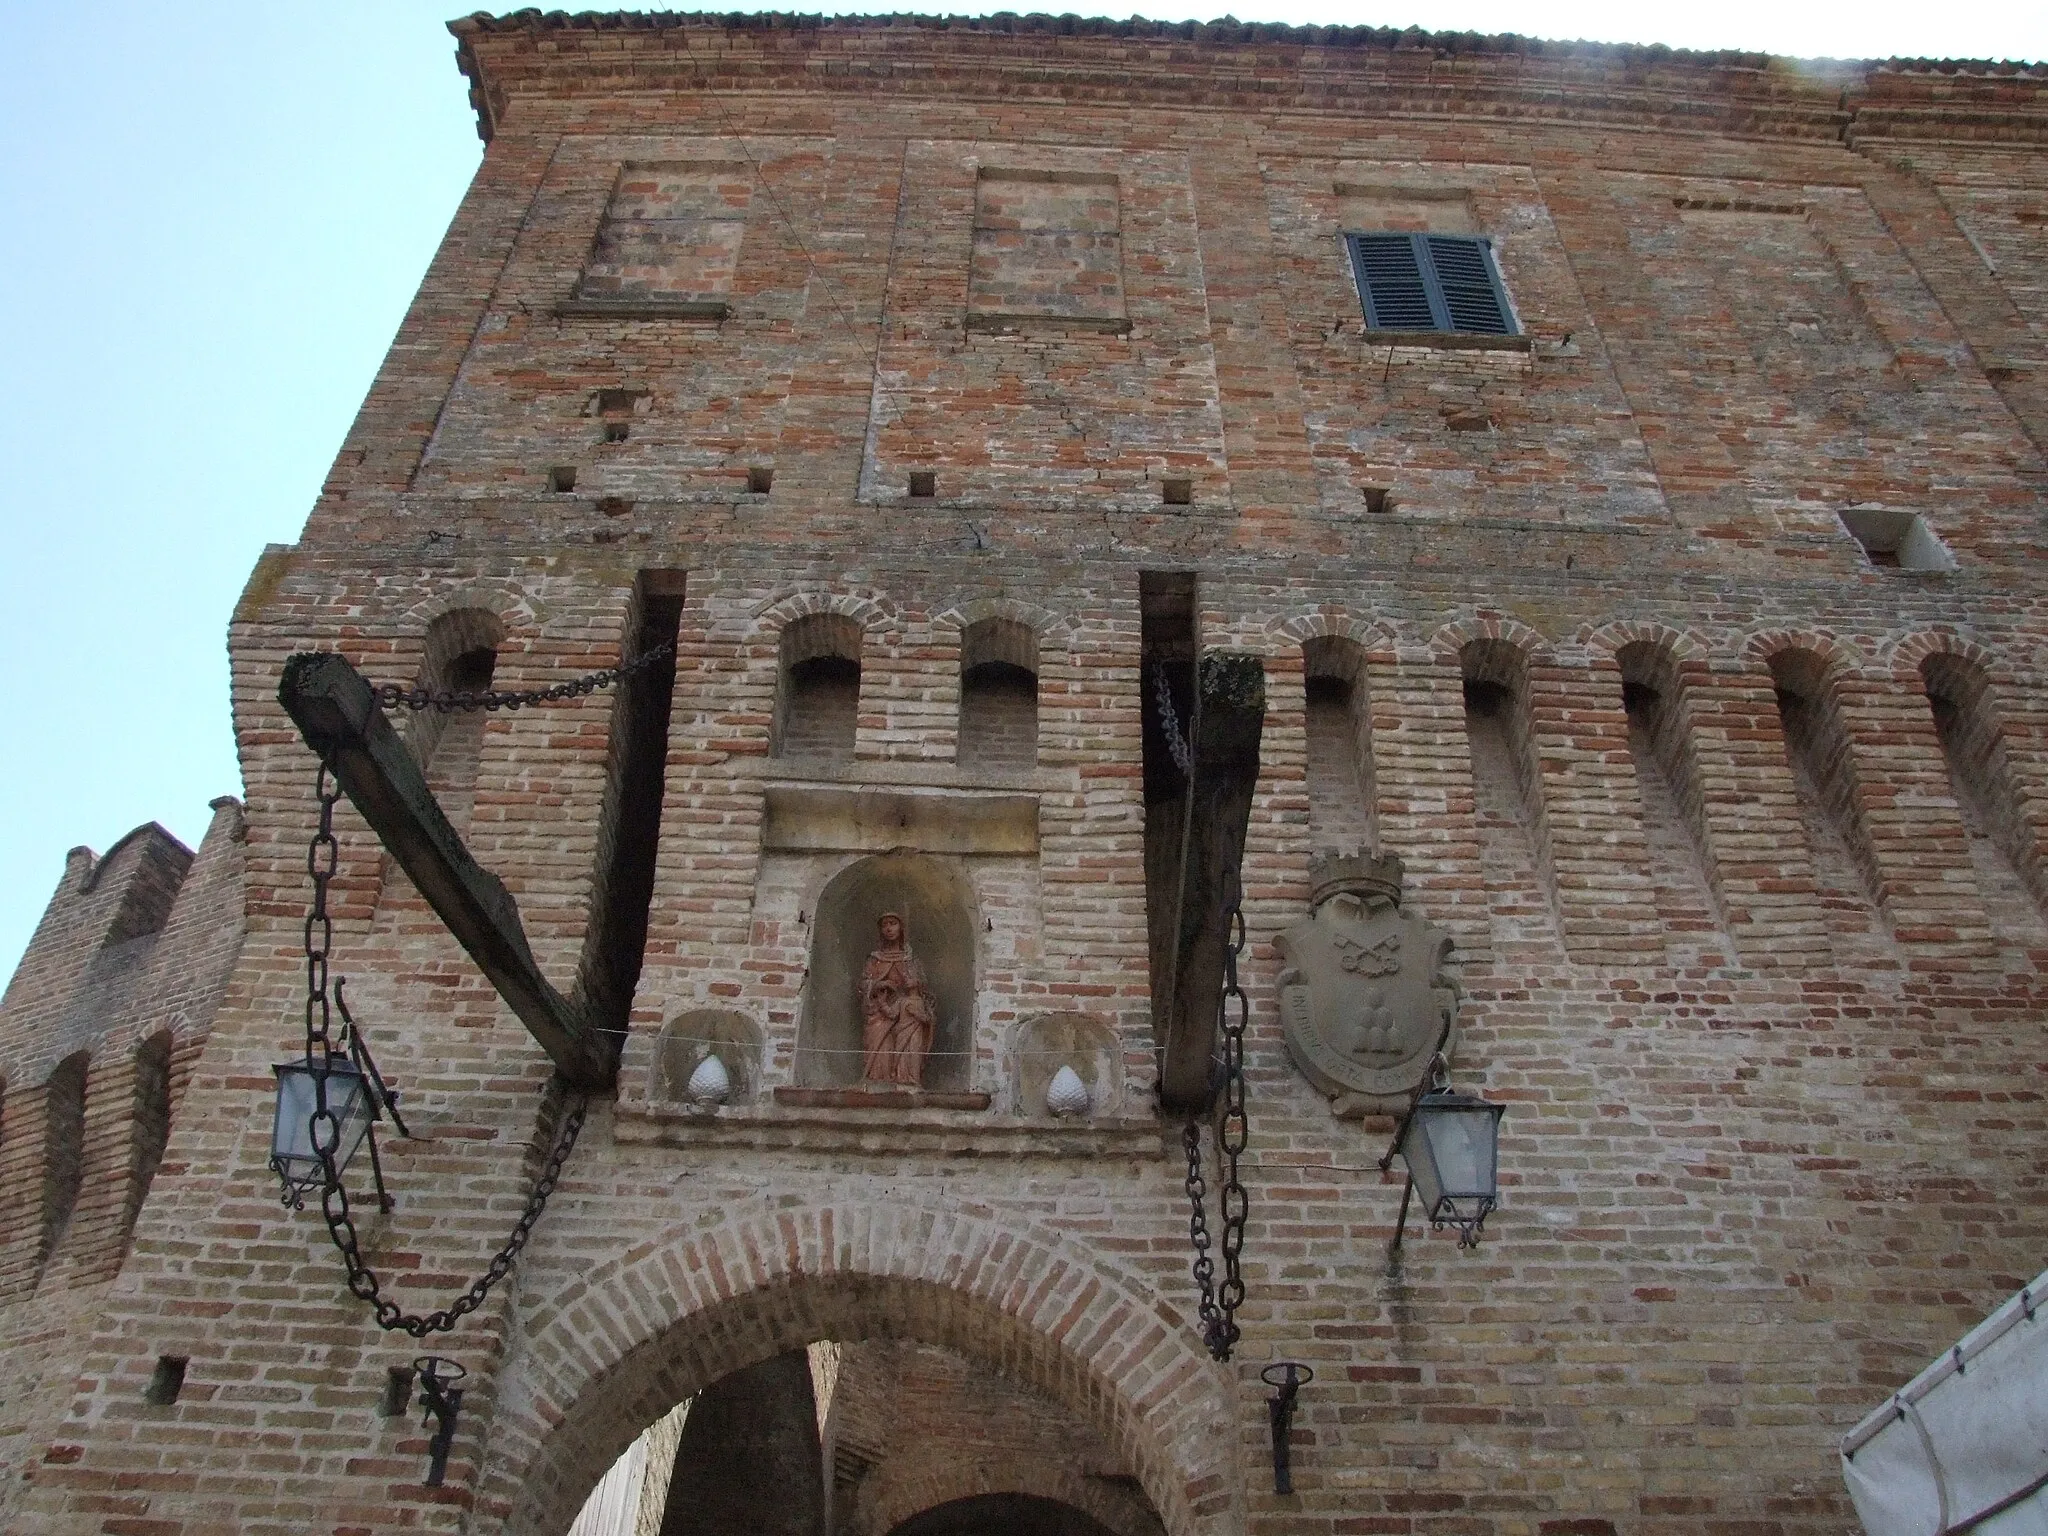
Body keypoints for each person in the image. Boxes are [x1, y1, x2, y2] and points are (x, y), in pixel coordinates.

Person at [859, 912, 937, 1087]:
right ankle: (878, 1084)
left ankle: (906, 1080)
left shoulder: (910, 960)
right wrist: (879, 985)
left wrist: (913, 986)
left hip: (906, 1014)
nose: (888, 928)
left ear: (901, 928)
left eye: (893, 923)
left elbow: (924, 989)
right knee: (881, 1051)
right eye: (884, 924)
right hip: (880, 1012)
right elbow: (864, 985)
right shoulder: (875, 959)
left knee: (908, 1050)